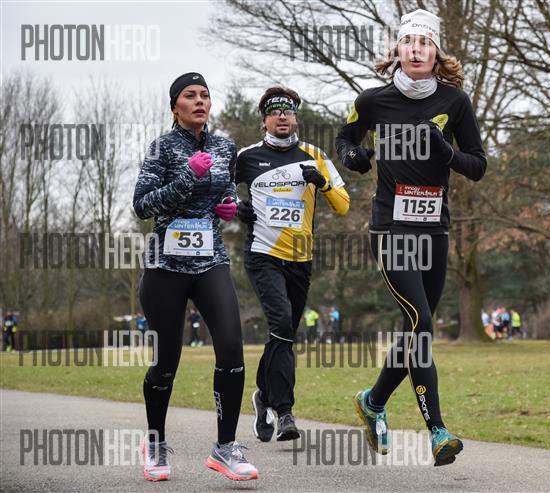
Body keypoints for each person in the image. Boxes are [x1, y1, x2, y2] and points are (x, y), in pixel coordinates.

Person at [336, 8, 486, 466]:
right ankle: (437, 430)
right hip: (391, 228)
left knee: (413, 329)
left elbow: (478, 165)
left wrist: (448, 154)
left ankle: (373, 401)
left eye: (425, 43)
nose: (416, 50)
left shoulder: (455, 102)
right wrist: (353, 157)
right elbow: (345, 139)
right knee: (421, 324)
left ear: (436, 52)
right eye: (408, 42)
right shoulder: (373, 100)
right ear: (397, 50)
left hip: (435, 230)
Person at [133, 72, 257, 482]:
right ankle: (155, 442)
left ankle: (225, 447)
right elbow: (143, 205)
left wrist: (229, 204)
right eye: (190, 95)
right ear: (175, 106)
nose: (200, 101)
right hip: (165, 267)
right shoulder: (162, 147)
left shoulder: (225, 146)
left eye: (205, 95)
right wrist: (187, 174)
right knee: (167, 361)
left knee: (232, 348)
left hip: (210, 261)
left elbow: (224, 191)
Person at [235, 86, 350, 444]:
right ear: (264, 120)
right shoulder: (246, 157)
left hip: (301, 259)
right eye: (274, 111)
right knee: (282, 324)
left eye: (287, 111)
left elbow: (343, 205)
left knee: (283, 334)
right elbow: (218, 194)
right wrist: (236, 209)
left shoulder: (315, 155)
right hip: (263, 254)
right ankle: (284, 412)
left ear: (296, 118)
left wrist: (323, 183)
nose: (281, 116)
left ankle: (263, 395)